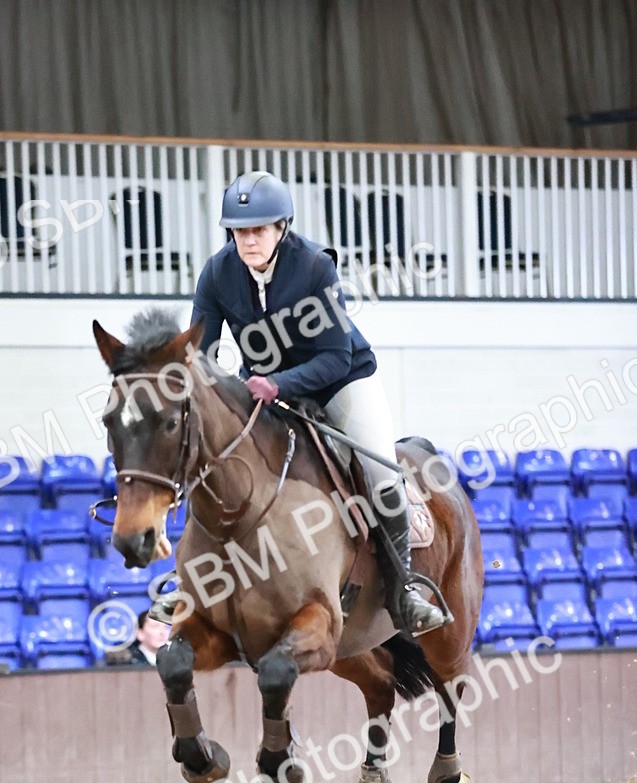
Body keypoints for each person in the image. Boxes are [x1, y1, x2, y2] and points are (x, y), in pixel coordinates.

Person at [189, 170, 445, 636]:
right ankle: (195, 581)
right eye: (240, 231)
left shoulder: (313, 268)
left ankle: (403, 589)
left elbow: (335, 355)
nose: (248, 240)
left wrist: (278, 384)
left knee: (381, 470)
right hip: (265, 391)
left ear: (281, 228)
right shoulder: (217, 273)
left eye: (259, 230)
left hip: (340, 382)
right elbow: (202, 359)